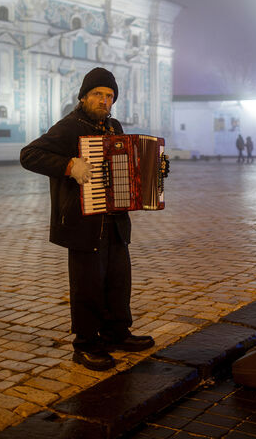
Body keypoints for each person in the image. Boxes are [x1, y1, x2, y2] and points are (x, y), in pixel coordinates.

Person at [19, 67, 154, 371]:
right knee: (88, 285)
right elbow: (29, 155)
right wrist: (69, 165)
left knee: (118, 281)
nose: (104, 100)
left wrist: (152, 173)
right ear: (84, 96)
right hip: (83, 222)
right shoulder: (69, 127)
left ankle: (117, 333)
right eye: (98, 94)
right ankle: (85, 344)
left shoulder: (114, 126)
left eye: (109, 95)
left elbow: (129, 166)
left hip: (115, 220)